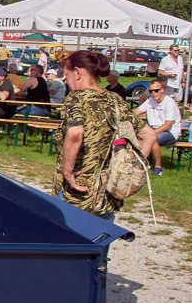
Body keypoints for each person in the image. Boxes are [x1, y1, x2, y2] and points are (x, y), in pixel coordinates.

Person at [53, 50, 153, 217]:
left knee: (70, 232)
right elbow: (149, 135)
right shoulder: (115, 99)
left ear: (77, 72)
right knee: (102, 232)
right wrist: (132, 170)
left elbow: (75, 133)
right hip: (107, 192)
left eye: (66, 74)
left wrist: (67, 172)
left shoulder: (76, 98)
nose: (65, 79)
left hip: (78, 192)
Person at [136, 80, 181, 176]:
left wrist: (151, 132)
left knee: (153, 139)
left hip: (170, 132)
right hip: (154, 129)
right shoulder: (150, 101)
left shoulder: (169, 103)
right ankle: (140, 163)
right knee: (136, 138)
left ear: (162, 90)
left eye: (156, 90)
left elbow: (168, 125)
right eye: (151, 91)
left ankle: (158, 167)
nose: (153, 93)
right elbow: (137, 111)